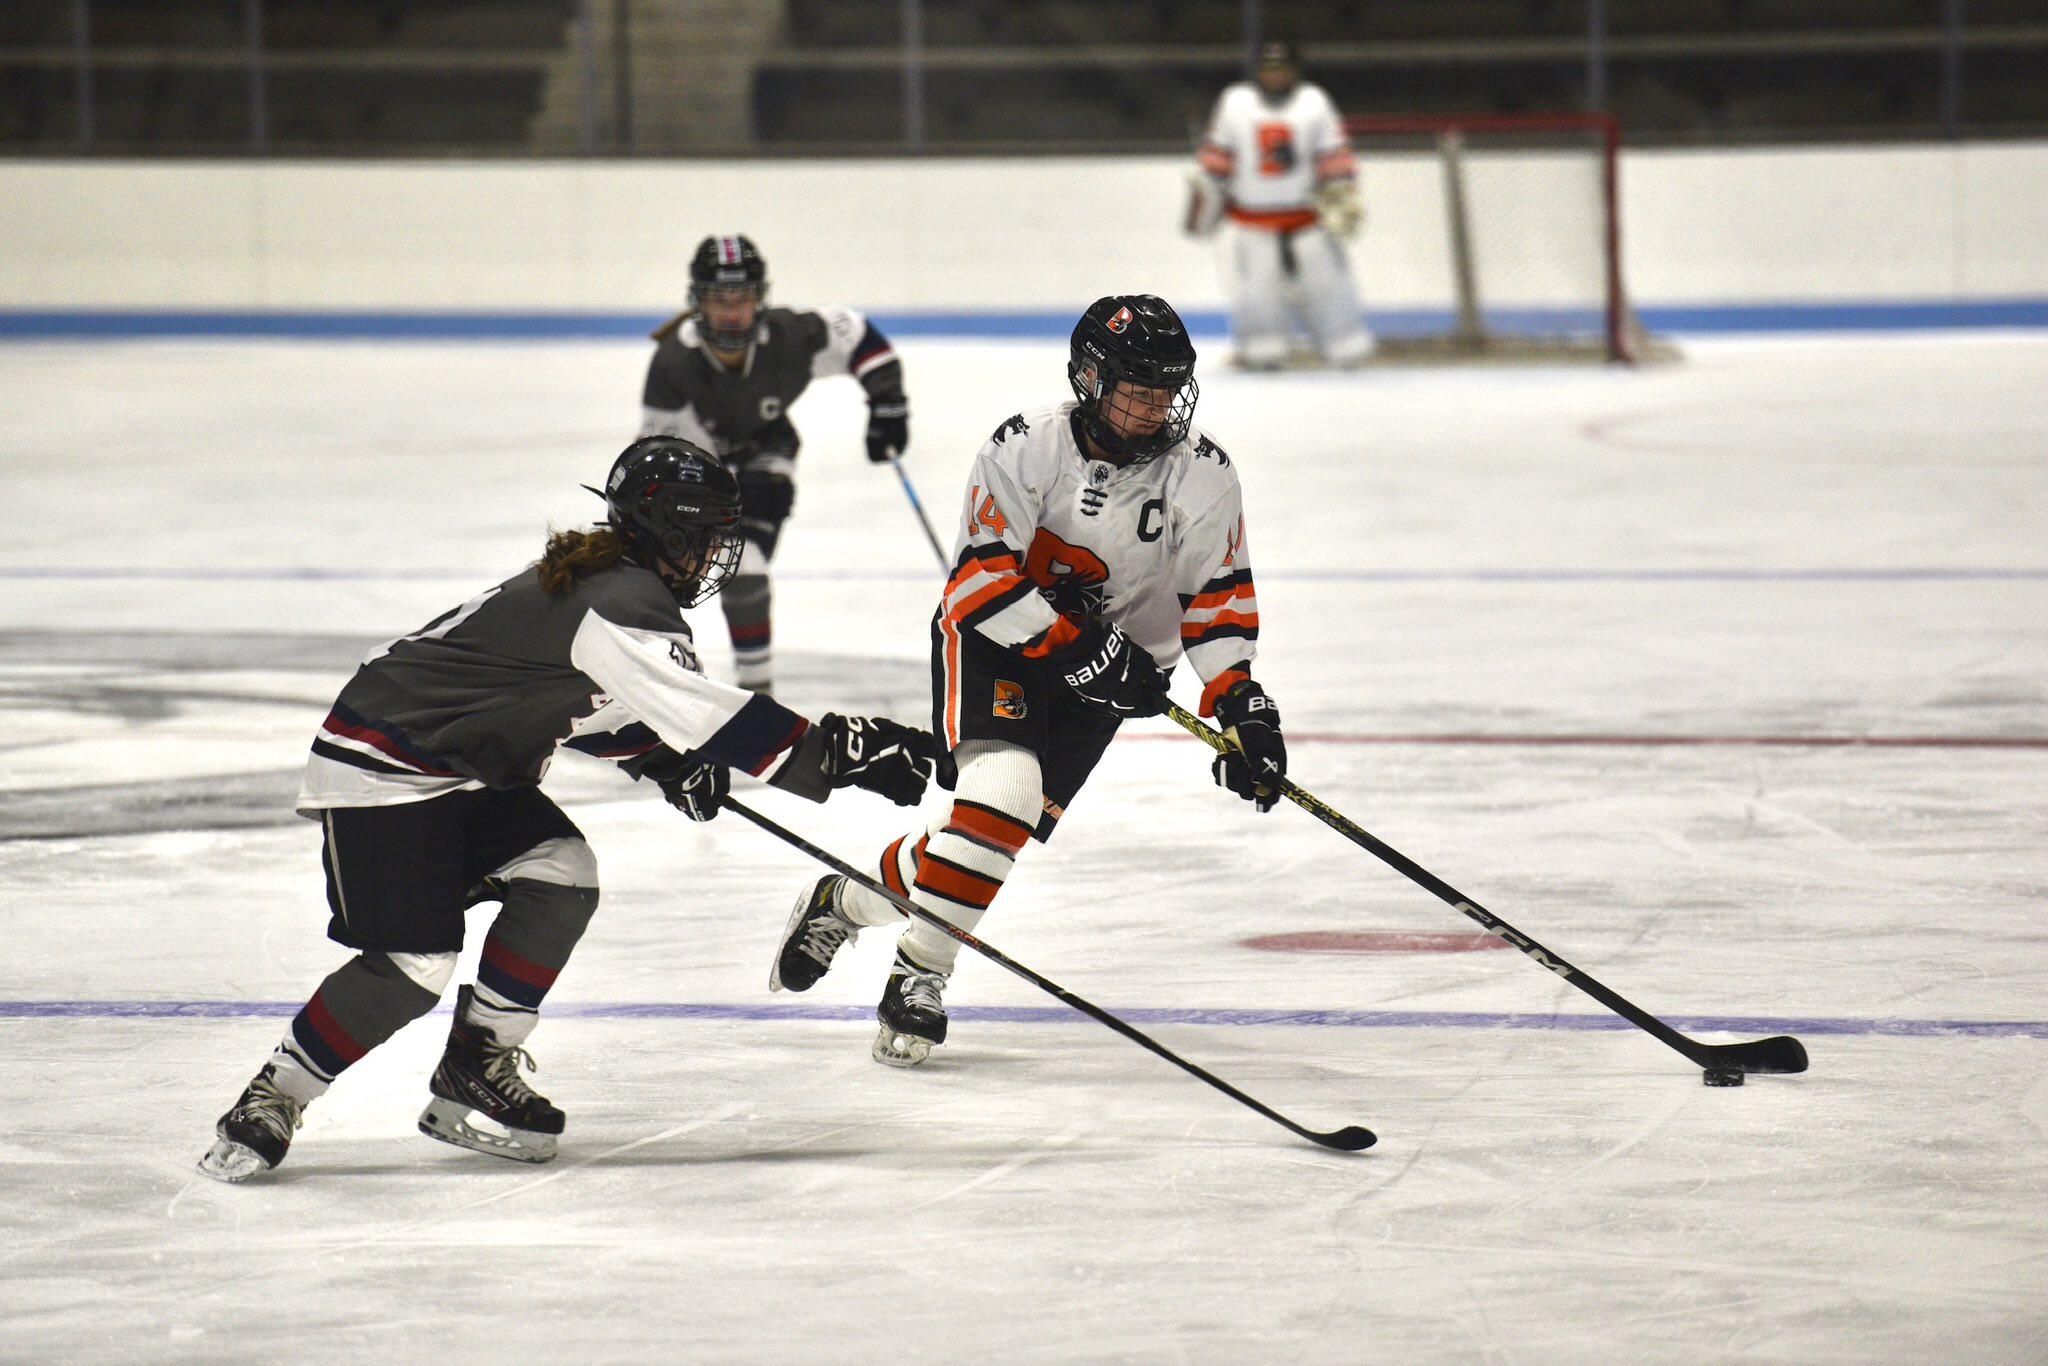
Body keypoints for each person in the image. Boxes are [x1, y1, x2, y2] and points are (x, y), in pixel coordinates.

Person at [197, 436, 942, 1182]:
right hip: (385, 769)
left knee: (562, 871)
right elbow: (719, 720)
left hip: (459, 768)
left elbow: (575, 701)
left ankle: (476, 1063)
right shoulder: (621, 600)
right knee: (414, 964)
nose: (717, 554)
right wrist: (848, 752)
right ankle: (275, 1095)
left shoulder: (611, 582)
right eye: (709, 536)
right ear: (672, 529)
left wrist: (656, 757)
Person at [768, 295, 1289, 1067]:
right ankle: (920, 973)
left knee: (989, 837)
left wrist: (1243, 704)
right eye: (1136, 390)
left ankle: (842, 899)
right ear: (1088, 376)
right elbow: (979, 583)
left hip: (1106, 676)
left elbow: (1215, 601)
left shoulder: (1204, 474)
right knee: (1002, 806)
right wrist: (1078, 647)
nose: (1156, 409)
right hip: (999, 646)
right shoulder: (1024, 447)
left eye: (1167, 390)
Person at [640, 234, 912, 694]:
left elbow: (857, 334)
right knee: (657, 571)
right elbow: (662, 453)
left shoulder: (789, 338)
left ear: (760, 300)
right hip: (698, 475)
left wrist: (888, 404)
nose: (731, 312)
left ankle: (757, 695)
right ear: (697, 301)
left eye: (742, 299)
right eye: (717, 299)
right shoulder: (672, 364)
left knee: (743, 564)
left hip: (768, 458)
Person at [1186, 40, 1374, 369]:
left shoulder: (1314, 102)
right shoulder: (1235, 103)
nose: (1275, 76)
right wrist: (1204, 206)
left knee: (1330, 286)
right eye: (1268, 69)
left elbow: (1333, 155)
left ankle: (1347, 348)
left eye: (1281, 68)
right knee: (1257, 294)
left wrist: (1343, 192)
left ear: (1294, 71)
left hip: (1306, 220)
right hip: (1253, 222)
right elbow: (1217, 162)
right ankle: (1263, 352)